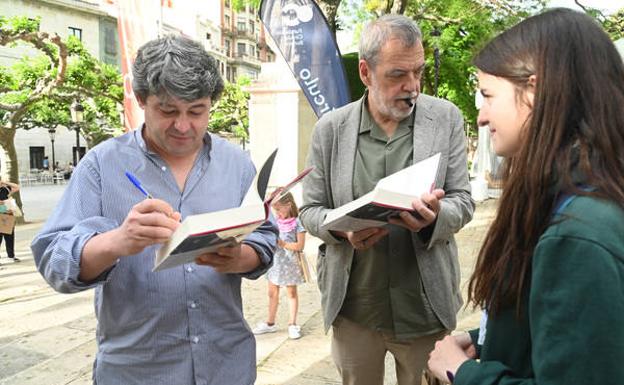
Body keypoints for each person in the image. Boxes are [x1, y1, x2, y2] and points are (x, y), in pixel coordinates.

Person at [31, 35, 278, 385]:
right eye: (168, 110)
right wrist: (117, 241)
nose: (183, 125)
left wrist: (242, 258)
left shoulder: (236, 164)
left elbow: (266, 236)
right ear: (141, 99)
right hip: (138, 370)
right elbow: (53, 261)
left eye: (197, 111)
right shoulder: (102, 165)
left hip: (227, 364)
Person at [427, 8, 624, 385]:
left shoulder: (577, 235)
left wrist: (463, 373)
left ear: (534, 91)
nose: (481, 117)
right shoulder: (577, 197)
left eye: (487, 95)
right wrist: (487, 344)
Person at [299, 14, 474, 385]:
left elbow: (463, 201)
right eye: (398, 75)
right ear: (365, 72)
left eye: (418, 72)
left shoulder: (445, 119)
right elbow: (309, 211)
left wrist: (436, 217)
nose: (412, 86)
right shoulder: (330, 131)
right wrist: (342, 232)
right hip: (355, 310)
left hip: (425, 311)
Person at [253, 191, 306, 340]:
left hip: (289, 264)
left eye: (278, 209)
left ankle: (292, 324)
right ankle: (270, 323)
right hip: (275, 263)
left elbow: (300, 246)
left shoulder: (297, 223)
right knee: (272, 293)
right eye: (274, 210)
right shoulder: (275, 222)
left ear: (288, 205)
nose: (276, 213)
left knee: (291, 293)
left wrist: (283, 244)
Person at [0, 179, 20, 262]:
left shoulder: (6, 188)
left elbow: (17, 187)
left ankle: (11, 256)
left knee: (10, 237)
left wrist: (5, 183)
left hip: (8, 214)